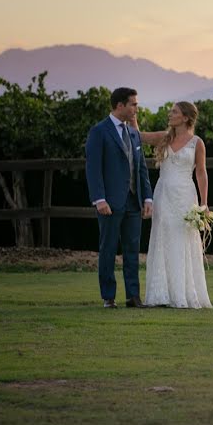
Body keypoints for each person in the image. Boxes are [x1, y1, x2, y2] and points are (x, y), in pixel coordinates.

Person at [135, 101, 212, 308]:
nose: (170, 114)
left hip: (186, 195)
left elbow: (201, 172)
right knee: (163, 236)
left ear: (186, 117)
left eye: (174, 111)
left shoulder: (197, 143)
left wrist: (204, 204)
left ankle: (183, 293)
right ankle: (161, 294)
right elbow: (138, 135)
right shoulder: (164, 137)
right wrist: (133, 114)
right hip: (164, 194)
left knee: (183, 239)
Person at [85, 87, 153, 309]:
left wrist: (148, 198)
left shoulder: (133, 133)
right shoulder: (99, 131)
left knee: (132, 250)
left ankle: (133, 297)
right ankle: (108, 297)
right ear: (120, 105)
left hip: (134, 201)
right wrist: (99, 199)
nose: (136, 108)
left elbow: (141, 167)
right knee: (108, 249)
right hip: (110, 203)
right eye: (133, 104)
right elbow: (93, 169)